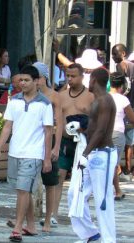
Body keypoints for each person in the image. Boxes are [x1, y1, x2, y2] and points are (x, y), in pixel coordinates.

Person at [0, 65, 53, 242]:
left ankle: (18, 228)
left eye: (27, 80)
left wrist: (47, 157)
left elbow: (48, 131)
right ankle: (31, 226)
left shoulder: (45, 104)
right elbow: (8, 126)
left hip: (33, 154)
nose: (23, 83)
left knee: (22, 190)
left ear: (36, 81)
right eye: (21, 80)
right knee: (22, 191)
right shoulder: (14, 101)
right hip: (14, 152)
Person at [70, 68, 118, 243]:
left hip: (102, 155)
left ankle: (109, 240)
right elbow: (93, 129)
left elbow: (101, 131)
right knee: (74, 194)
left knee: (102, 200)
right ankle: (90, 233)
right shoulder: (97, 101)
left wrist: (85, 153)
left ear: (94, 80)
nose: (87, 83)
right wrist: (80, 128)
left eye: (89, 79)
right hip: (92, 153)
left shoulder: (105, 101)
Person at [53, 63, 94, 223]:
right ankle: (53, 214)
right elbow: (57, 121)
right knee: (59, 176)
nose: (70, 79)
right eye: (67, 76)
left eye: (73, 76)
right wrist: (55, 146)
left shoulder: (90, 96)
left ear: (82, 76)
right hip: (65, 141)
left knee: (82, 180)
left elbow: (96, 120)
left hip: (83, 143)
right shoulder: (61, 96)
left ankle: (81, 214)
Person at [33, 62, 63, 232]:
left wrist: (56, 147)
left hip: (48, 140)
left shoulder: (53, 96)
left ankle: (47, 219)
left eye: (37, 78)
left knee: (50, 182)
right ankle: (27, 218)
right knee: (28, 181)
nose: (35, 81)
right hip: (34, 141)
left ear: (43, 78)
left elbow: (58, 123)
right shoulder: (30, 95)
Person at [109, 72, 134, 199]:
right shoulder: (123, 99)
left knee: (106, 162)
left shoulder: (104, 97)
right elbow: (132, 118)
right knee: (114, 163)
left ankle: (114, 189)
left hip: (103, 132)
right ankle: (117, 191)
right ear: (122, 85)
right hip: (118, 133)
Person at [112, 44, 134, 176]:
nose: (113, 57)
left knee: (127, 135)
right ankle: (127, 167)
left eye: (115, 54)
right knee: (129, 137)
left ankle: (124, 167)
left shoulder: (124, 65)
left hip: (127, 104)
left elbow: (126, 87)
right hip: (127, 104)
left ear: (123, 53)